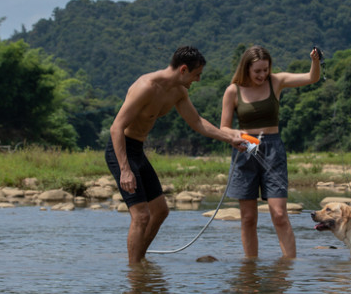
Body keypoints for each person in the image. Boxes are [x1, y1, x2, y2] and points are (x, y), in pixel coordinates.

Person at [106, 46, 247, 264]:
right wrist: (125, 170)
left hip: (138, 150)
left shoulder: (178, 91)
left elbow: (197, 122)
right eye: (196, 74)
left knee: (161, 211)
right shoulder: (146, 87)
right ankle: (134, 272)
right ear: (183, 70)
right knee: (141, 216)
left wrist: (229, 139)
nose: (198, 79)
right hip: (121, 150)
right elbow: (116, 128)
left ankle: (140, 262)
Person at [220, 45, 322, 258]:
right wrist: (236, 134)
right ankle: (250, 267)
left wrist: (315, 61)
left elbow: (311, 78)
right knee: (248, 218)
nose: (262, 75)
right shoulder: (233, 91)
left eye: (265, 70)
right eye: (257, 71)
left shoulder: (276, 81)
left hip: (273, 149)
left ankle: (289, 265)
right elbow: (224, 128)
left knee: (279, 214)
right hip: (245, 150)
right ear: (246, 69)